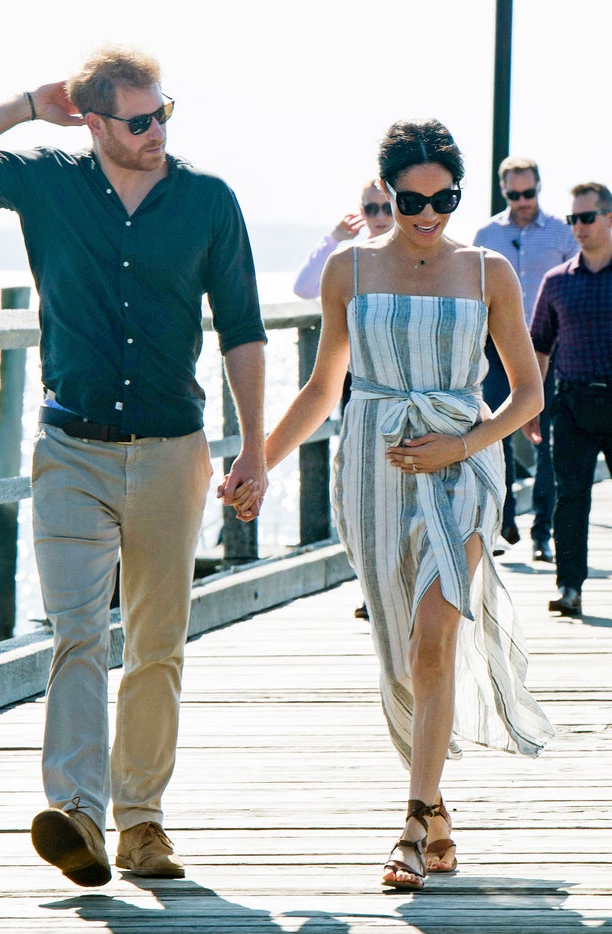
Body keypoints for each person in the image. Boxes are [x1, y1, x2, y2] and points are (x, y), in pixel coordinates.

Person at [0, 45, 267, 887]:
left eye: (162, 113)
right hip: (70, 449)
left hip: (174, 450)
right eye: (138, 120)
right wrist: (26, 104)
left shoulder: (209, 201)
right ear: (95, 122)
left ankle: (142, 824)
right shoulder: (49, 181)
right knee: (75, 634)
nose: (156, 132)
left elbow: (244, 328)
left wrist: (253, 446)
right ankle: (77, 811)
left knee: (156, 645)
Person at [232, 119, 554, 890]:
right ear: (388, 191)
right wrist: (258, 461)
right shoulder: (349, 271)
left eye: (445, 197)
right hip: (372, 469)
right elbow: (320, 389)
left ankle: (410, 823)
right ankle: (438, 810)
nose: (428, 214)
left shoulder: (488, 274)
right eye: (413, 200)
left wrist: (463, 447)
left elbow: (527, 393)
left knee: (436, 637)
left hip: (462, 466)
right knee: (402, 654)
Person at [293, 181, 394, 621]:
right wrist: (334, 238)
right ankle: (373, 589)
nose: (378, 215)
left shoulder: (416, 257)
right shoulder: (351, 261)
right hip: (360, 386)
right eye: (370, 207)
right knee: (360, 492)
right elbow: (302, 288)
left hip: (405, 387)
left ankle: (396, 588)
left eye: (387, 206)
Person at [474, 157, 578, 560]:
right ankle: (505, 522)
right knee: (496, 431)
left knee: (546, 441)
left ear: (539, 186)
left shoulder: (562, 232)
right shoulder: (486, 234)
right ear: (504, 193)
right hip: (497, 350)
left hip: (551, 350)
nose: (522, 201)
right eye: (514, 194)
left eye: (528, 192)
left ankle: (543, 531)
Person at [526, 182, 612, 617]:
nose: (578, 227)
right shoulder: (556, 282)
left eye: (587, 218)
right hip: (573, 405)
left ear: (609, 218)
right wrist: (533, 406)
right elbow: (539, 346)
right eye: (572, 219)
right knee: (570, 497)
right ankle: (570, 587)